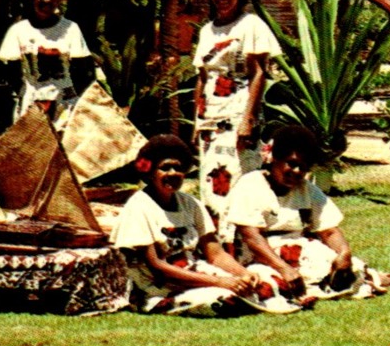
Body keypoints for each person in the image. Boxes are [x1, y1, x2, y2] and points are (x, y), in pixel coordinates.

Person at [110, 134, 288, 315]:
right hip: (160, 285)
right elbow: (156, 266)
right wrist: (220, 282)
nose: (173, 173)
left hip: (195, 272)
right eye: (165, 168)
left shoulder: (190, 203)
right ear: (150, 172)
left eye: (178, 168)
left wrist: (242, 273)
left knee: (263, 282)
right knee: (224, 297)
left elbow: (216, 254)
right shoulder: (139, 206)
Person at [226, 125, 390, 309]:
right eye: (291, 164)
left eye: (303, 168)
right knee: (268, 283)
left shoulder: (306, 189)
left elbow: (329, 230)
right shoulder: (251, 185)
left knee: (344, 266)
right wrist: (284, 268)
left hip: (299, 250)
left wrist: (344, 253)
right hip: (261, 255)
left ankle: (332, 283)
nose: (296, 172)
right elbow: (252, 238)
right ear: (275, 158)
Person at [192, 0, 279, 216]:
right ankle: (218, 246)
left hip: (238, 115)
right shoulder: (208, 30)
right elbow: (202, 76)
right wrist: (196, 120)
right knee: (211, 182)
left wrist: (248, 119)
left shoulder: (251, 25)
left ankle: (241, 247)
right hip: (210, 120)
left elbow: (259, 73)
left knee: (239, 180)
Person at [0, 0, 94, 129]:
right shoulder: (18, 31)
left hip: (65, 108)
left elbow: (84, 72)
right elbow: (10, 72)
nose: (47, 0)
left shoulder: (70, 29)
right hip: (31, 105)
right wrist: (29, 92)